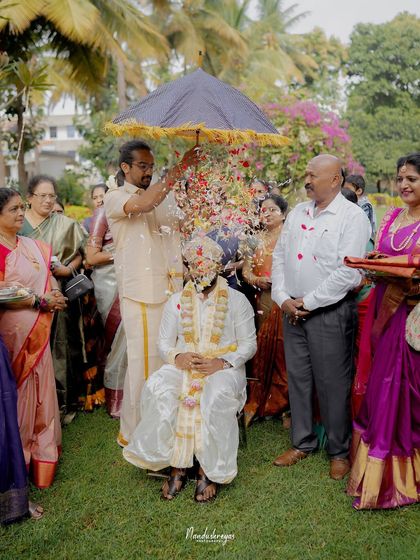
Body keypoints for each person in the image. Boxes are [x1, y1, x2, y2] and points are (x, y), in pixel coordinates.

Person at [123, 237, 257, 502]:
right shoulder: (176, 301)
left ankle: (209, 469)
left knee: (214, 396)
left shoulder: (237, 300)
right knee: (158, 386)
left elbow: (249, 344)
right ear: (188, 268)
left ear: (219, 266)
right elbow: (164, 343)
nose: (200, 270)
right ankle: (177, 464)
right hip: (184, 365)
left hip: (223, 368)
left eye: (206, 264)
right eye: (194, 265)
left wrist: (222, 363)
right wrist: (178, 355)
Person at [271, 154, 370, 480]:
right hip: (293, 312)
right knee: (298, 380)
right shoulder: (299, 211)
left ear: (335, 180)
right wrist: (283, 297)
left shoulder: (352, 216)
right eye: (307, 174)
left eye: (314, 175)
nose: (307, 179)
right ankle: (302, 442)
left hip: (329, 312)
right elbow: (280, 256)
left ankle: (339, 451)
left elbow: (347, 273)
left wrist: (308, 301)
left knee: (332, 383)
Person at [104, 140, 199, 447]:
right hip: (139, 294)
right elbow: (144, 204)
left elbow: (178, 228)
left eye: (151, 166)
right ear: (125, 168)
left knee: (169, 362)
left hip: (171, 290)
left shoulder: (163, 196)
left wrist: (189, 191)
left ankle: (166, 426)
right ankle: (138, 433)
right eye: (142, 166)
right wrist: (179, 169)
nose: (148, 171)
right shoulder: (115, 196)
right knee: (143, 363)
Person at [347, 153, 420, 509]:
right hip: (381, 305)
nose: (404, 184)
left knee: (400, 387)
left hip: (409, 313)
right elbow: (381, 255)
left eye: (412, 179)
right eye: (400, 178)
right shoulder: (391, 217)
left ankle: (400, 477)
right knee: (380, 383)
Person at [0, 188, 66, 488]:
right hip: (14, 333)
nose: (20, 214)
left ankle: (44, 454)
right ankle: (19, 459)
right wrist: (39, 301)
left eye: (20, 208)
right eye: (13, 209)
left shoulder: (32, 245)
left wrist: (54, 293)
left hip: (41, 327)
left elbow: (46, 276)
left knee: (43, 394)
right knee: (19, 394)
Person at [20, 175, 86, 416]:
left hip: (58, 292)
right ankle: (30, 406)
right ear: (29, 198)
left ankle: (62, 404)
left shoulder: (63, 224)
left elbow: (79, 253)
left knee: (60, 347)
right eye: (42, 196)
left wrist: (68, 269)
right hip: (27, 295)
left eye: (52, 196)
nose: (48, 201)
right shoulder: (18, 222)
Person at [242, 194, 289, 426]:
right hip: (262, 300)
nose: (267, 214)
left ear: (283, 214)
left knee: (282, 351)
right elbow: (246, 272)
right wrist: (257, 280)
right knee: (260, 349)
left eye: (272, 210)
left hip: (284, 300)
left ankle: (283, 405)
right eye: (263, 210)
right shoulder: (254, 240)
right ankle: (257, 400)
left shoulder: (291, 237)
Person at [86, 192, 127, 418]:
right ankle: (114, 398)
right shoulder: (102, 213)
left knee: (133, 339)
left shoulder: (138, 213)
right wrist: (122, 254)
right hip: (109, 282)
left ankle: (135, 396)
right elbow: (91, 257)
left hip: (135, 280)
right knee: (115, 341)